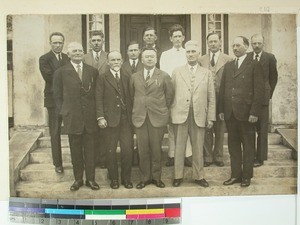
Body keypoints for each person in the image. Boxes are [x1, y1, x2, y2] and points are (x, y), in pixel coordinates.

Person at [219, 36, 264, 187]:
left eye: (238, 45)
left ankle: (246, 177)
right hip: (230, 113)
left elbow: (259, 91)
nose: (235, 48)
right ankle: (235, 175)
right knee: (233, 147)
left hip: (247, 114)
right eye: (233, 46)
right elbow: (223, 89)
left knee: (248, 146)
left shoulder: (254, 64)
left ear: (246, 46)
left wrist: (254, 113)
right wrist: (221, 109)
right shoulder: (229, 65)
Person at [53, 42, 100, 191]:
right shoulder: (60, 72)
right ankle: (78, 179)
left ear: (84, 52)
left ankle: (91, 180)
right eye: (75, 51)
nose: (78, 53)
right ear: (69, 54)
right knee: (75, 150)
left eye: (80, 50)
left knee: (91, 150)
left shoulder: (92, 71)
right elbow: (57, 96)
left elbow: (96, 95)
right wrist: (64, 112)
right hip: (72, 118)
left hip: (90, 118)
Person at [171, 40, 215, 188]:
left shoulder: (206, 73)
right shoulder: (177, 71)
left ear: (198, 54)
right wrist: (171, 114)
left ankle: (199, 176)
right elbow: (171, 94)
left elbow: (211, 97)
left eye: (193, 52)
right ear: (185, 54)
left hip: (199, 115)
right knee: (179, 147)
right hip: (180, 114)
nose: (190, 54)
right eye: (188, 52)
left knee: (198, 147)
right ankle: (177, 176)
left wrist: (211, 117)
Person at [130, 47, 174, 189]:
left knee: (156, 149)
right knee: (142, 150)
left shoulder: (164, 76)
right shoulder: (134, 77)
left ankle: (156, 178)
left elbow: (169, 96)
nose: (149, 59)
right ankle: (144, 178)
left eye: (152, 57)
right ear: (141, 59)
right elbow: (132, 96)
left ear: (156, 59)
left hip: (157, 117)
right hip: (140, 117)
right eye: (146, 57)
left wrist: (160, 108)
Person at [95, 51, 133, 189]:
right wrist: (100, 117)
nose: (116, 62)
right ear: (108, 62)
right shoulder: (102, 78)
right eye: (113, 60)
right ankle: (114, 179)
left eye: (118, 59)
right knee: (110, 151)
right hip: (109, 120)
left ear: (122, 61)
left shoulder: (127, 76)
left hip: (125, 120)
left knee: (127, 150)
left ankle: (126, 179)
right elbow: (98, 99)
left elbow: (131, 97)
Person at [160, 24, 192, 167]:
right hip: (171, 93)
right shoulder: (165, 55)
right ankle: (172, 155)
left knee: (185, 126)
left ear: (183, 38)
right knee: (172, 127)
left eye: (180, 36)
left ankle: (186, 155)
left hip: (186, 93)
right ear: (171, 38)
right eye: (175, 36)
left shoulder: (188, 53)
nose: (178, 39)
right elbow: (164, 75)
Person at [198, 32, 232, 167]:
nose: (212, 44)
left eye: (215, 41)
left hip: (221, 98)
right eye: (210, 42)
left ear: (220, 42)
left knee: (220, 127)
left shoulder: (228, 59)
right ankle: (207, 156)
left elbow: (229, 80)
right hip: (205, 98)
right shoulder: (201, 60)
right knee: (207, 127)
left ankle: (218, 156)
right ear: (207, 44)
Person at [39, 32, 69, 173]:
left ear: (63, 43)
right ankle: (58, 163)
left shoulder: (67, 58)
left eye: (60, 43)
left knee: (73, 129)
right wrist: (66, 76)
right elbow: (49, 76)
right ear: (50, 43)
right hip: (53, 100)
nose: (58, 45)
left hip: (68, 99)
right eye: (55, 43)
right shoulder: (44, 59)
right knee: (55, 131)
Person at [249, 33, 278, 167]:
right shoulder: (248, 57)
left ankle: (260, 158)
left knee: (262, 129)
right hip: (249, 99)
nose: (256, 46)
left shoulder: (270, 58)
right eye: (254, 43)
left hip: (263, 100)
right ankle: (250, 155)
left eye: (259, 43)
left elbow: (273, 78)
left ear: (263, 44)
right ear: (251, 44)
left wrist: (268, 94)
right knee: (249, 129)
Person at [83, 30, 108, 169]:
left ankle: (103, 159)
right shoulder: (84, 57)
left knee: (103, 131)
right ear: (90, 42)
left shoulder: (109, 56)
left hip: (104, 98)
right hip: (88, 98)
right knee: (90, 131)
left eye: (99, 40)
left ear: (103, 41)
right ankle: (92, 159)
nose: (96, 43)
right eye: (94, 40)